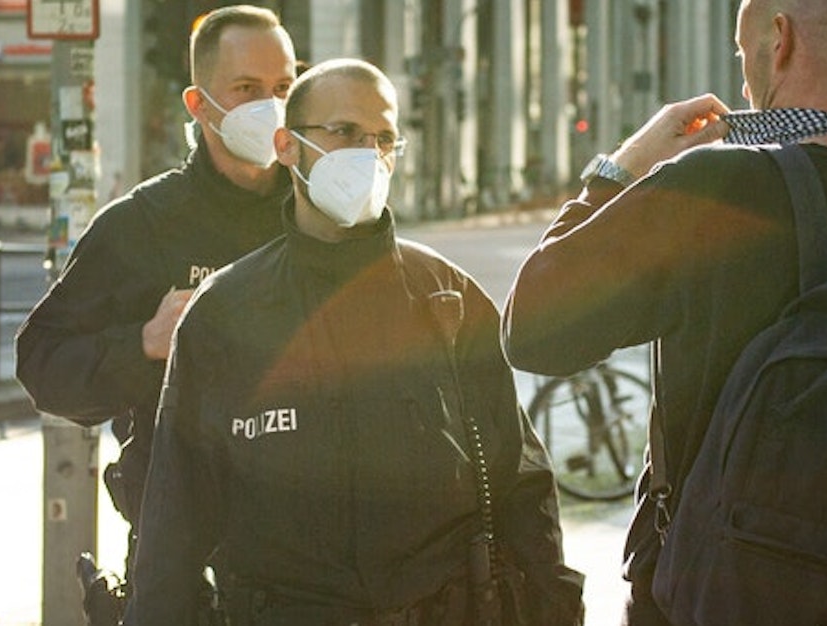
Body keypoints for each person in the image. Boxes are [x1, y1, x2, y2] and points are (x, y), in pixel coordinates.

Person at [502, 1, 827, 623]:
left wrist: (624, 165)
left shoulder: (717, 186)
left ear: (779, 39)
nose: (744, 78)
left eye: (741, 50)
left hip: (697, 596)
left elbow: (533, 331)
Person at [125, 59, 584, 626]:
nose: (368, 153)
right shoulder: (225, 312)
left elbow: (522, 484)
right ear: (287, 146)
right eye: (344, 132)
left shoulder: (446, 299)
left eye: (383, 138)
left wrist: (554, 608)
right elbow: (175, 516)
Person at [13, 3, 296, 614]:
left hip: (314, 565)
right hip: (184, 569)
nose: (269, 107)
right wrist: (144, 342)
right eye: (247, 90)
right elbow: (41, 362)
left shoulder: (316, 216)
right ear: (199, 105)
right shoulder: (141, 225)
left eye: (282, 88)